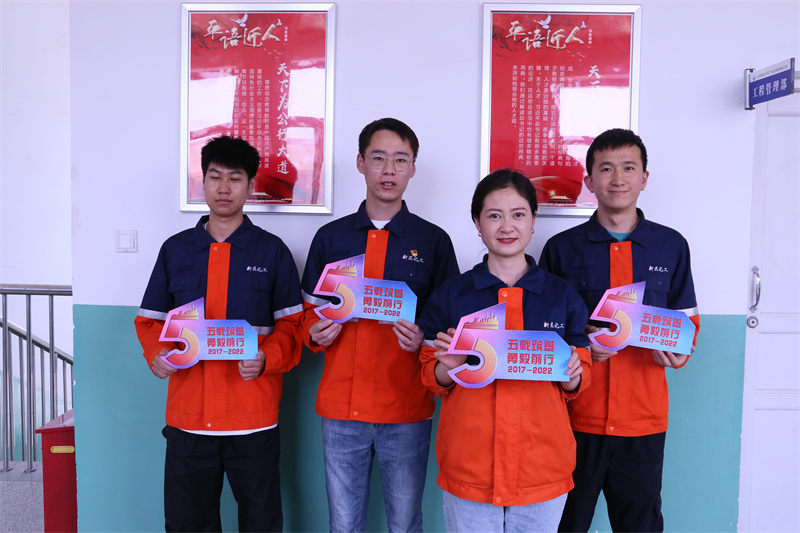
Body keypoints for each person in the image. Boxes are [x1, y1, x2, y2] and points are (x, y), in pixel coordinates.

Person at [134, 135, 303, 532]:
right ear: (203, 182)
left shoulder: (272, 252)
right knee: (187, 524)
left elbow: (293, 326)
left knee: (261, 523)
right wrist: (157, 354)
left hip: (253, 420)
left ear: (251, 185)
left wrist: (267, 357)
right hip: (188, 421)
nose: (224, 187)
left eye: (235, 178)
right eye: (215, 177)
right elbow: (150, 320)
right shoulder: (175, 250)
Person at [300, 118, 460, 532]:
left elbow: (450, 329)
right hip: (341, 409)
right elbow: (308, 315)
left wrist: (424, 337)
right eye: (379, 158)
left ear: (412, 168)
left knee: (405, 524)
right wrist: (314, 333)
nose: (389, 170)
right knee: (343, 524)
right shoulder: (330, 238)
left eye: (400, 160)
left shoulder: (433, 242)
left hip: (406, 409)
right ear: (360, 163)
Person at [539, 128, 700, 533]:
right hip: (575, 417)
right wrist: (581, 346)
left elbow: (687, 321)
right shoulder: (561, 248)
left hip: (643, 421)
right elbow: (544, 331)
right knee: (566, 522)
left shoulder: (671, 245)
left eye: (629, 168)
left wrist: (680, 352)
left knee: (640, 524)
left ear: (644, 178)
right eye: (606, 168)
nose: (617, 178)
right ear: (589, 180)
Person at [418, 168, 592, 532]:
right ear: (477, 224)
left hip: (542, 469)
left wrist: (575, 376)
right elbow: (429, 375)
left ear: (533, 220)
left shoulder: (561, 296)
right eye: (494, 215)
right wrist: (448, 366)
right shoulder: (452, 295)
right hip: (470, 467)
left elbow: (582, 376)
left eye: (518, 214)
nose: (507, 226)